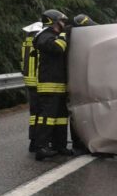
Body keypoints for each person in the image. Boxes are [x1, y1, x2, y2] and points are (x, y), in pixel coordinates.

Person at [32, 10, 73, 160]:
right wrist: (63, 35)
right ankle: (41, 147)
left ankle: (59, 145)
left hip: (59, 84)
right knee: (47, 117)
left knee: (61, 117)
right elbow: (58, 48)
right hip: (49, 84)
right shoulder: (44, 36)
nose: (63, 25)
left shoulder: (53, 36)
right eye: (61, 22)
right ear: (53, 22)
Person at [67, 14, 97, 153]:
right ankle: (78, 143)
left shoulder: (76, 37)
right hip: (75, 80)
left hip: (84, 79)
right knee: (77, 112)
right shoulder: (71, 38)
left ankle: (86, 142)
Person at [21, 21, 42, 152]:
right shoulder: (38, 44)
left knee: (34, 113)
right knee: (41, 114)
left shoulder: (26, 44)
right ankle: (38, 141)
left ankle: (33, 140)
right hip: (38, 82)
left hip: (29, 82)